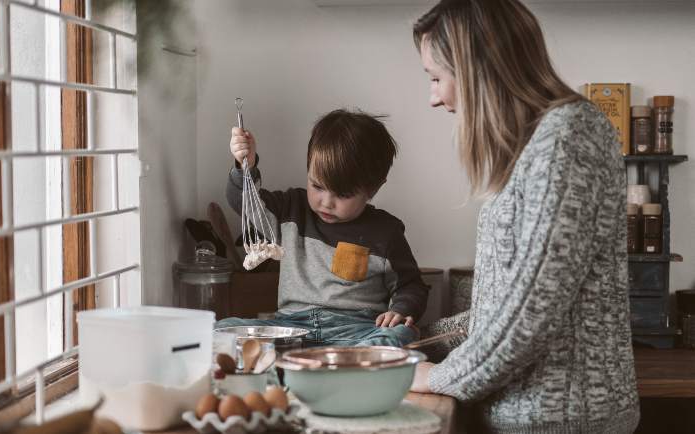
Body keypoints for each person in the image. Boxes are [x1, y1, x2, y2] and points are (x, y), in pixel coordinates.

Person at [409, 0, 639, 433]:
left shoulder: (567, 137)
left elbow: (532, 309)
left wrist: (437, 376)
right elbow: (505, 305)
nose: (434, 97)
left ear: (477, 69)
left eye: (437, 77)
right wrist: (421, 339)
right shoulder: (535, 147)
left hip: (563, 419)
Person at [215, 109, 428, 347]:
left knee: (400, 334)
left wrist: (401, 310)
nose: (326, 202)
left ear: (373, 189)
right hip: (291, 329)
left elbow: (411, 285)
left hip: (354, 332)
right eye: (317, 186)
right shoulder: (290, 210)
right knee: (220, 329)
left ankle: (349, 365)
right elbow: (244, 201)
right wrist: (245, 165)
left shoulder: (385, 232)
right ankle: (311, 365)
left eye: (343, 194)